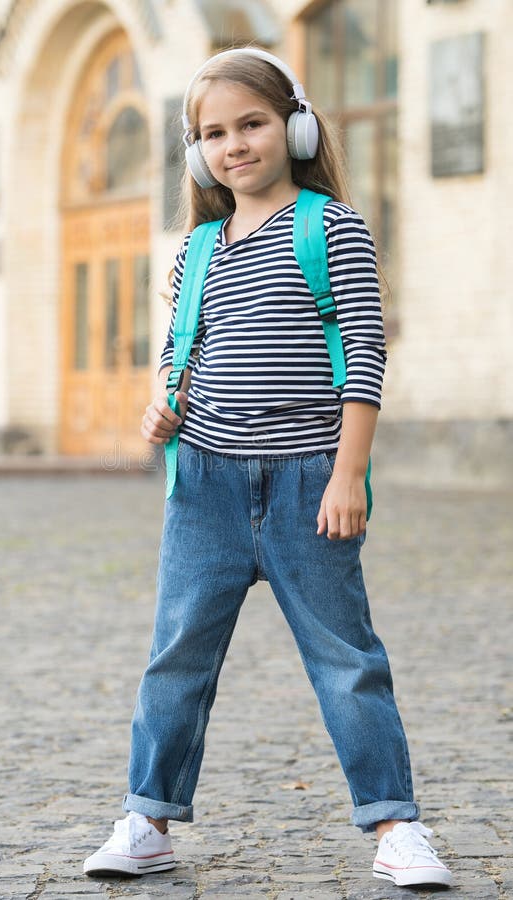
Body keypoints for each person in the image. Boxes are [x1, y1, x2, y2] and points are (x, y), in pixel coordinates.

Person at [83, 47, 453, 889]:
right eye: (212, 133)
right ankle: (147, 819)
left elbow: (362, 352)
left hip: (306, 484)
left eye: (251, 124)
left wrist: (347, 475)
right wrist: (162, 407)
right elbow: (186, 354)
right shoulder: (197, 247)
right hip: (204, 486)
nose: (233, 145)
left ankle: (395, 827)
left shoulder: (331, 226)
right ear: (194, 151)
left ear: (294, 126)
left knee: (347, 660)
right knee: (176, 657)